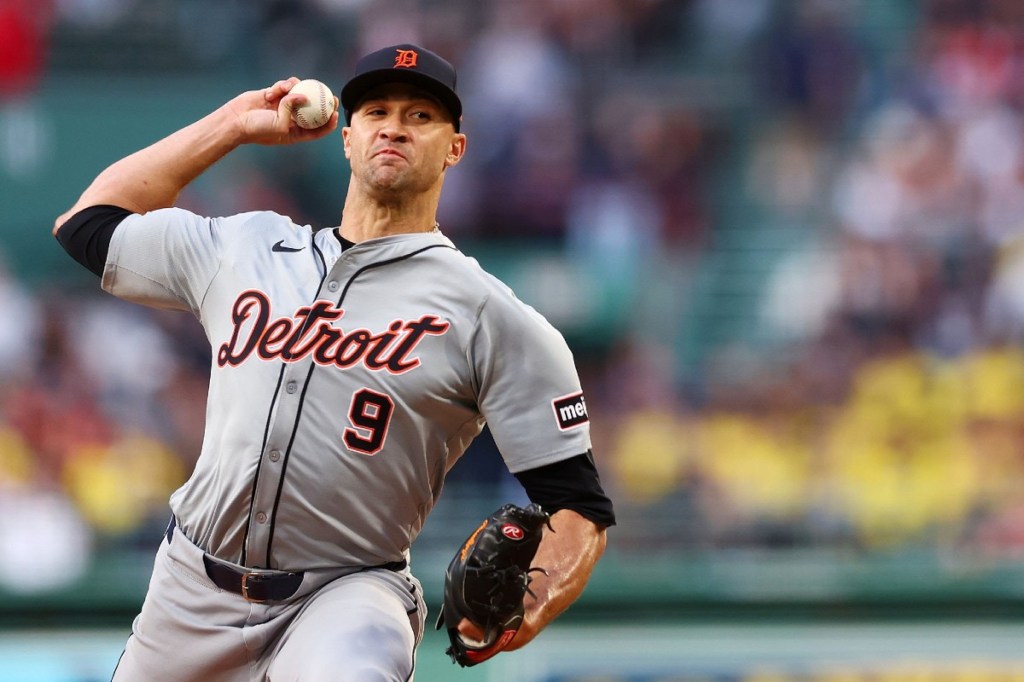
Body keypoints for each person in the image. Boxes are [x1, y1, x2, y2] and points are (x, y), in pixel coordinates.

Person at [53, 43, 615, 681]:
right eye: (376, 110)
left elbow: (579, 505)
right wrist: (235, 123)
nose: (395, 126)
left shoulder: (489, 314)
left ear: (455, 147)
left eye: (421, 116)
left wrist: (527, 611)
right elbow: (88, 225)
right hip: (191, 588)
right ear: (348, 139)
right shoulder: (247, 247)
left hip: (347, 592)